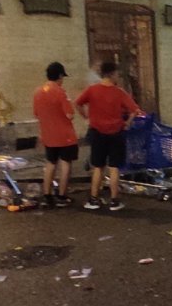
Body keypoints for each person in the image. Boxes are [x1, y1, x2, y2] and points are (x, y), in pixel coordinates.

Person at [75, 61, 142, 211]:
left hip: (97, 132)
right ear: (111, 74)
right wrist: (127, 123)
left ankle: (94, 199)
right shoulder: (119, 92)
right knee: (114, 167)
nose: (118, 76)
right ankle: (114, 201)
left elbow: (78, 103)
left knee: (98, 166)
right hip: (116, 133)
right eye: (117, 73)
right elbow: (134, 110)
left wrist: (86, 117)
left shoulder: (92, 90)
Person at [32, 62, 77, 207]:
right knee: (65, 164)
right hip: (65, 136)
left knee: (50, 163)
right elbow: (70, 114)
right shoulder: (60, 92)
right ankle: (62, 195)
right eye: (62, 76)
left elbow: (36, 114)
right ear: (59, 75)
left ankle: (47, 194)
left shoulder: (38, 92)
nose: (62, 79)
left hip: (48, 135)